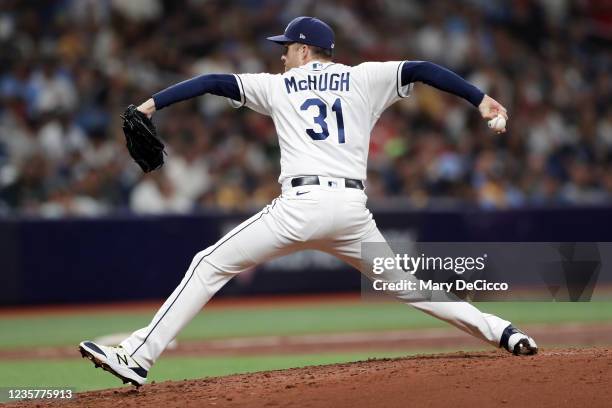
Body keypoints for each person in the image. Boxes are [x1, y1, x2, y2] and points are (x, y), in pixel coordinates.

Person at [79, 16, 537, 387]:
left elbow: (214, 81)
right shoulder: (364, 77)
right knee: (412, 288)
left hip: (302, 205)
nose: (281, 56)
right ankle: (502, 331)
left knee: (208, 264)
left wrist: (150, 106)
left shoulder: (280, 85)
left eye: (286, 48)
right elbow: (420, 68)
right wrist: (479, 100)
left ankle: (138, 356)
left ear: (302, 50)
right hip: (353, 213)